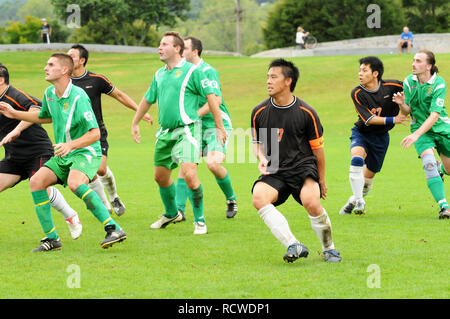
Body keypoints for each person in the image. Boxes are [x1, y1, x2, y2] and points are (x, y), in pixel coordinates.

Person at [0, 54, 127, 252]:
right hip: (63, 153)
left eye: (50, 65)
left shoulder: (79, 96)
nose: (45, 68)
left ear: (64, 70)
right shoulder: (50, 93)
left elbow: (95, 134)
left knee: (75, 183)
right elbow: (43, 117)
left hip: (85, 152)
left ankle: (113, 228)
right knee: (36, 182)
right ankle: (52, 239)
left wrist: (71, 145)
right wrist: (15, 114)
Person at [132, 31, 227, 235]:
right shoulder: (159, 74)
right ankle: (171, 213)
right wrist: (135, 121)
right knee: (160, 177)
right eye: (159, 44)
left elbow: (212, 98)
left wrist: (219, 127)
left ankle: (200, 220)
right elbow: (148, 99)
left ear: (177, 49)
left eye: (164, 44)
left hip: (188, 130)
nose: (159, 47)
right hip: (165, 133)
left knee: (190, 174)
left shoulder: (193, 71)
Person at [251, 58, 341, 263]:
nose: (268, 81)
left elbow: (318, 151)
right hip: (275, 169)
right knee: (258, 197)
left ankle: (330, 249)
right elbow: (257, 142)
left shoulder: (306, 112)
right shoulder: (259, 111)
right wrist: (261, 157)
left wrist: (322, 180)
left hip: (303, 167)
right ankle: (294, 244)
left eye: (274, 77)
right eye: (267, 77)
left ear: (288, 81)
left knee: (311, 202)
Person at [0, 62, 82, 240]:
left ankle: (70, 216)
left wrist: (17, 130)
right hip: (14, 157)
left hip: (38, 151)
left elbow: (37, 109)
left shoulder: (14, 95)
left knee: (40, 186)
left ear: (1, 80)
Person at [68, 44, 152, 217]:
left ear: (82, 60)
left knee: (99, 169)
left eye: (72, 56)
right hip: (75, 136)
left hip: (96, 131)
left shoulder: (96, 79)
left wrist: (140, 112)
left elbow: (119, 95)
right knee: (89, 173)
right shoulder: (64, 81)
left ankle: (114, 197)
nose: (68, 59)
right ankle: (105, 206)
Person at [175, 36, 237, 221]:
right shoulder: (182, 73)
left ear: (195, 51)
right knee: (186, 167)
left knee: (213, 163)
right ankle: (179, 211)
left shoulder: (208, 71)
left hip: (216, 125)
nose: (181, 52)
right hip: (195, 127)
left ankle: (231, 199)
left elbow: (215, 100)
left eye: (184, 48)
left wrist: (194, 115)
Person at [339, 56, 407, 215]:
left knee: (366, 182)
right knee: (356, 159)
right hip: (362, 133)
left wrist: (404, 103)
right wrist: (393, 119)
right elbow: (369, 119)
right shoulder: (357, 92)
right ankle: (360, 203)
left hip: (381, 138)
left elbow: (412, 89)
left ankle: (354, 200)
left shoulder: (393, 86)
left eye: (364, 70)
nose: (360, 74)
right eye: (359, 70)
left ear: (375, 73)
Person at [393, 50, 450, 219]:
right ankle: (444, 207)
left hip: (441, 128)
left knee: (448, 169)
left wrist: (416, 135)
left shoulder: (439, 84)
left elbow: (434, 115)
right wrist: (402, 104)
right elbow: (409, 110)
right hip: (420, 130)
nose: (413, 63)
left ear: (429, 66)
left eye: (418, 61)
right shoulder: (409, 82)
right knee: (428, 164)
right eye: (413, 60)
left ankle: (442, 168)